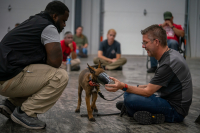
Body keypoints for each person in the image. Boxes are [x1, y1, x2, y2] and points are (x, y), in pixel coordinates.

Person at [0, 1, 69, 129]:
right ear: (54, 16)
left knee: (40, 73)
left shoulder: (33, 21)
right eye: (64, 20)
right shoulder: (49, 27)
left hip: (5, 75)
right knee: (60, 76)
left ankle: (11, 104)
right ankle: (26, 112)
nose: (64, 25)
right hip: (8, 78)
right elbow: (56, 62)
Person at [105, 25, 192, 125]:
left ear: (156, 42)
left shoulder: (168, 63)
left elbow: (148, 92)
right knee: (129, 93)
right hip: (169, 101)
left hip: (176, 111)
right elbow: (156, 85)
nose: (143, 46)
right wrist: (132, 88)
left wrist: (123, 86)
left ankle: (135, 111)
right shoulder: (170, 55)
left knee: (130, 98)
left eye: (145, 42)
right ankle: (132, 108)